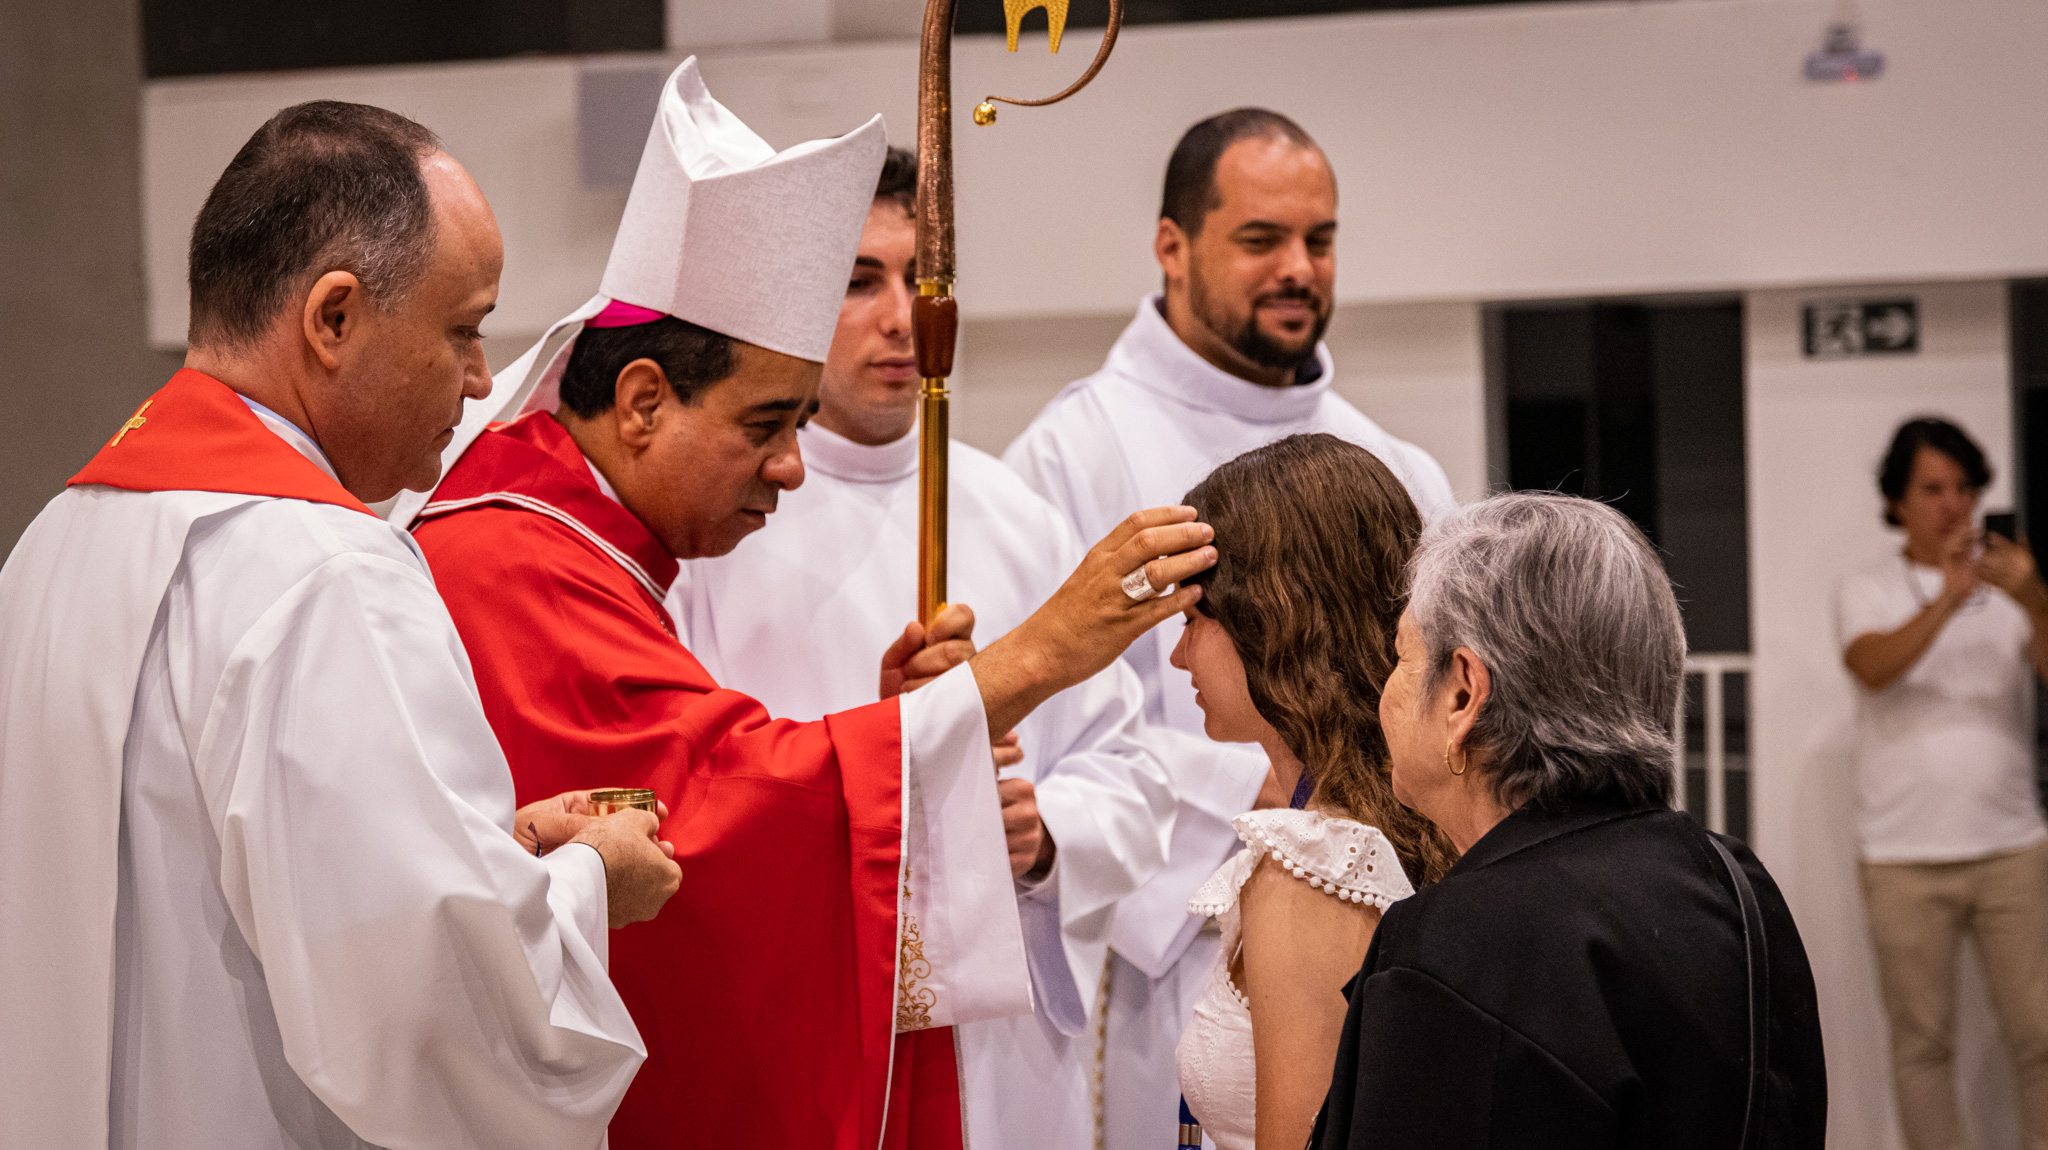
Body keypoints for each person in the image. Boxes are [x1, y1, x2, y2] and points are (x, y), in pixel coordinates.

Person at [403, 61, 1218, 1150]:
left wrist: (994, 801)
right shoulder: (521, 560)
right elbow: (726, 806)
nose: (792, 470)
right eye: (762, 425)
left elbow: (719, 779)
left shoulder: (588, 539)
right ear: (642, 400)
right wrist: (1031, 659)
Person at [0, 102, 682, 1150]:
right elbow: (427, 1004)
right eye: (462, 328)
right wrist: (591, 880)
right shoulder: (327, 573)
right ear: (332, 318)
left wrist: (476, 852)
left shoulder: (50, 543)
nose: (478, 378)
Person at [666, 146, 1179, 1150]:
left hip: (1007, 1057)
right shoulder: (718, 528)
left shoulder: (1014, 515)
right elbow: (694, 784)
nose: (906, 317)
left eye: (923, 279)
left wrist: (1046, 837)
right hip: (810, 1025)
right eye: (859, 281)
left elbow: (1134, 775)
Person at [1003, 106, 1457, 1146]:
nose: (1296, 268)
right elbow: (1051, 744)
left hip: (1386, 915)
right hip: (1147, 945)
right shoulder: (1072, 455)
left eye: (1319, 239)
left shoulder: (1395, 462)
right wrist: (1254, 796)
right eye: (1260, 240)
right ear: (1171, 246)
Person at [1314, 493, 1828, 1150]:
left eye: (1402, 655)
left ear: (1464, 694)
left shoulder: (1459, 944)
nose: (1385, 689)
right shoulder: (1735, 882)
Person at [1168, 435, 1456, 1150]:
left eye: (1192, 622)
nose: (1178, 657)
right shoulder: (1413, 814)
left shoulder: (1317, 866)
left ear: (1271, 618)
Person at [1837, 417, 2048, 1150]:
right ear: (1898, 500)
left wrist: (2038, 601)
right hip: (1902, 853)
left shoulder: (2020, 588)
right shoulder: (1867, 586)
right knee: (1923, 1046)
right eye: (1933, 488)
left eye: (1964, 487)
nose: (1952, 504)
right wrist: (1948, 599)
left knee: (2042, 1038)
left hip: (2012, 844)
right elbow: (1871, 666)